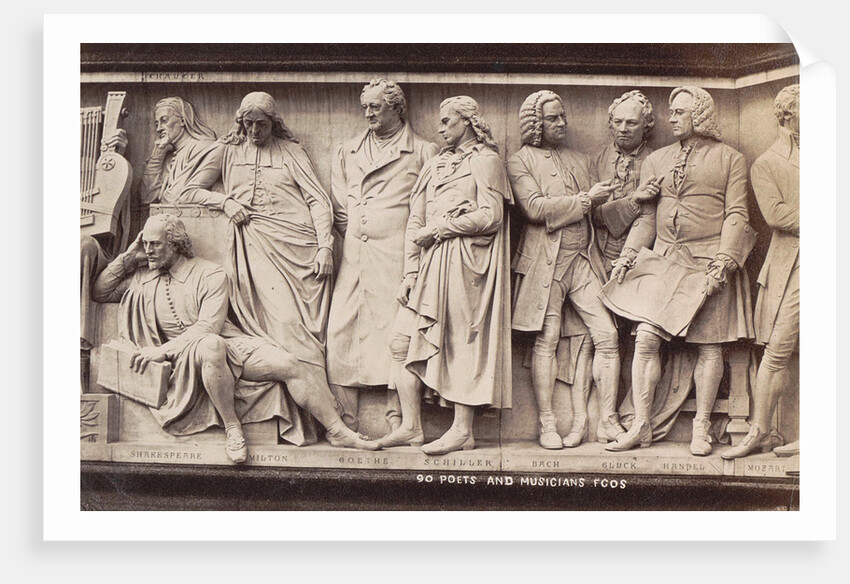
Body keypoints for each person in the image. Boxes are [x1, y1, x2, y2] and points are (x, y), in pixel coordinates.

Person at [92, 215, 380, 463]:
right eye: (145, 244)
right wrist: (127, 259)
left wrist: (162, 351)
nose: (149, 251)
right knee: (210, 347)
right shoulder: (142, 280)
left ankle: (337, 431)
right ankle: (233, 428)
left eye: (155, 244)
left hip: (223, 345)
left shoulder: (209, 274)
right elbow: (101, 292)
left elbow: (208, 326)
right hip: (187, 356)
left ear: (176, 244)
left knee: (288, 363)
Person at [606, 86, 756, 455]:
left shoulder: (730, 158)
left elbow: (737, 213)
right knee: (645, 339)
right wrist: (628, 255)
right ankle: (640, 424)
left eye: (679, 112)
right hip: (664, 262)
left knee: (708, 347)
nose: (671, 118)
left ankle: (701, 428)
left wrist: (724, 262)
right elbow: (646, 219)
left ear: (699, 115)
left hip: (710, 264)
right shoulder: (656, 159)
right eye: (670, 112)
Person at [379, 96, 513, 454]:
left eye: (446, 121)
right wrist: (410, 271)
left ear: (468, 121)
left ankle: (462, 430)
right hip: (428, 266)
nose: (440, 128)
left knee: (460, 347)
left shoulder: (487, 161)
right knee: (400, 342)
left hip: (466, 264)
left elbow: (492, 215)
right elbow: (415, 221)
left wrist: (443, 228)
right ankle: (411, 427)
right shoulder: (435, 164)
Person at [507, 90, 624, 449]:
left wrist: (632, 201)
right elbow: (535, 209)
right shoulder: (519, 160)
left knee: (607, 335)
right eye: (553, 118)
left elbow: (600, 216)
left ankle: (608, 420)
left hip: (583, 259)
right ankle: (546, 423)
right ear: (536, 124)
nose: (561, 123)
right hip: (545, 264)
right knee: (547, 339)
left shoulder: (581, 159)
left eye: (562, 116)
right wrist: (585, 200)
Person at [326, 79, 439, 434]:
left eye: (376, 107)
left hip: (398, 258)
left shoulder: (423, 151)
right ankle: (345, 416)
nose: (368, 114)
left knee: (397, 336)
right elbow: (340, 208)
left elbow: (429, 206)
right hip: (357, 257)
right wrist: (363, 230)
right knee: (342, 329)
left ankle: (398, 416)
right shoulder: (347, 151)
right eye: (365, 107)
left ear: (396, 108)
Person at [217, 92, 335, 402]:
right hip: (254, 249)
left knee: (300, 330)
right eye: (248, 124)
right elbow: (186, 189)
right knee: (284, 327)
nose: (254, 131)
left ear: (274, 123)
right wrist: (225, 201)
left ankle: (328, 411)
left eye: (261, 124)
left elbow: (317, 200)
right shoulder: (228, 153)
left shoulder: (291, 152)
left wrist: (325, 246)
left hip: (300, 251)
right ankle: (327, 413)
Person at [723, 84, 800, 460]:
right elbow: (776, 216)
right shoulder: (767, 162)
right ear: (786, 114)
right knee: (777, 349)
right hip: (793, 267)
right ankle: (760, 431)